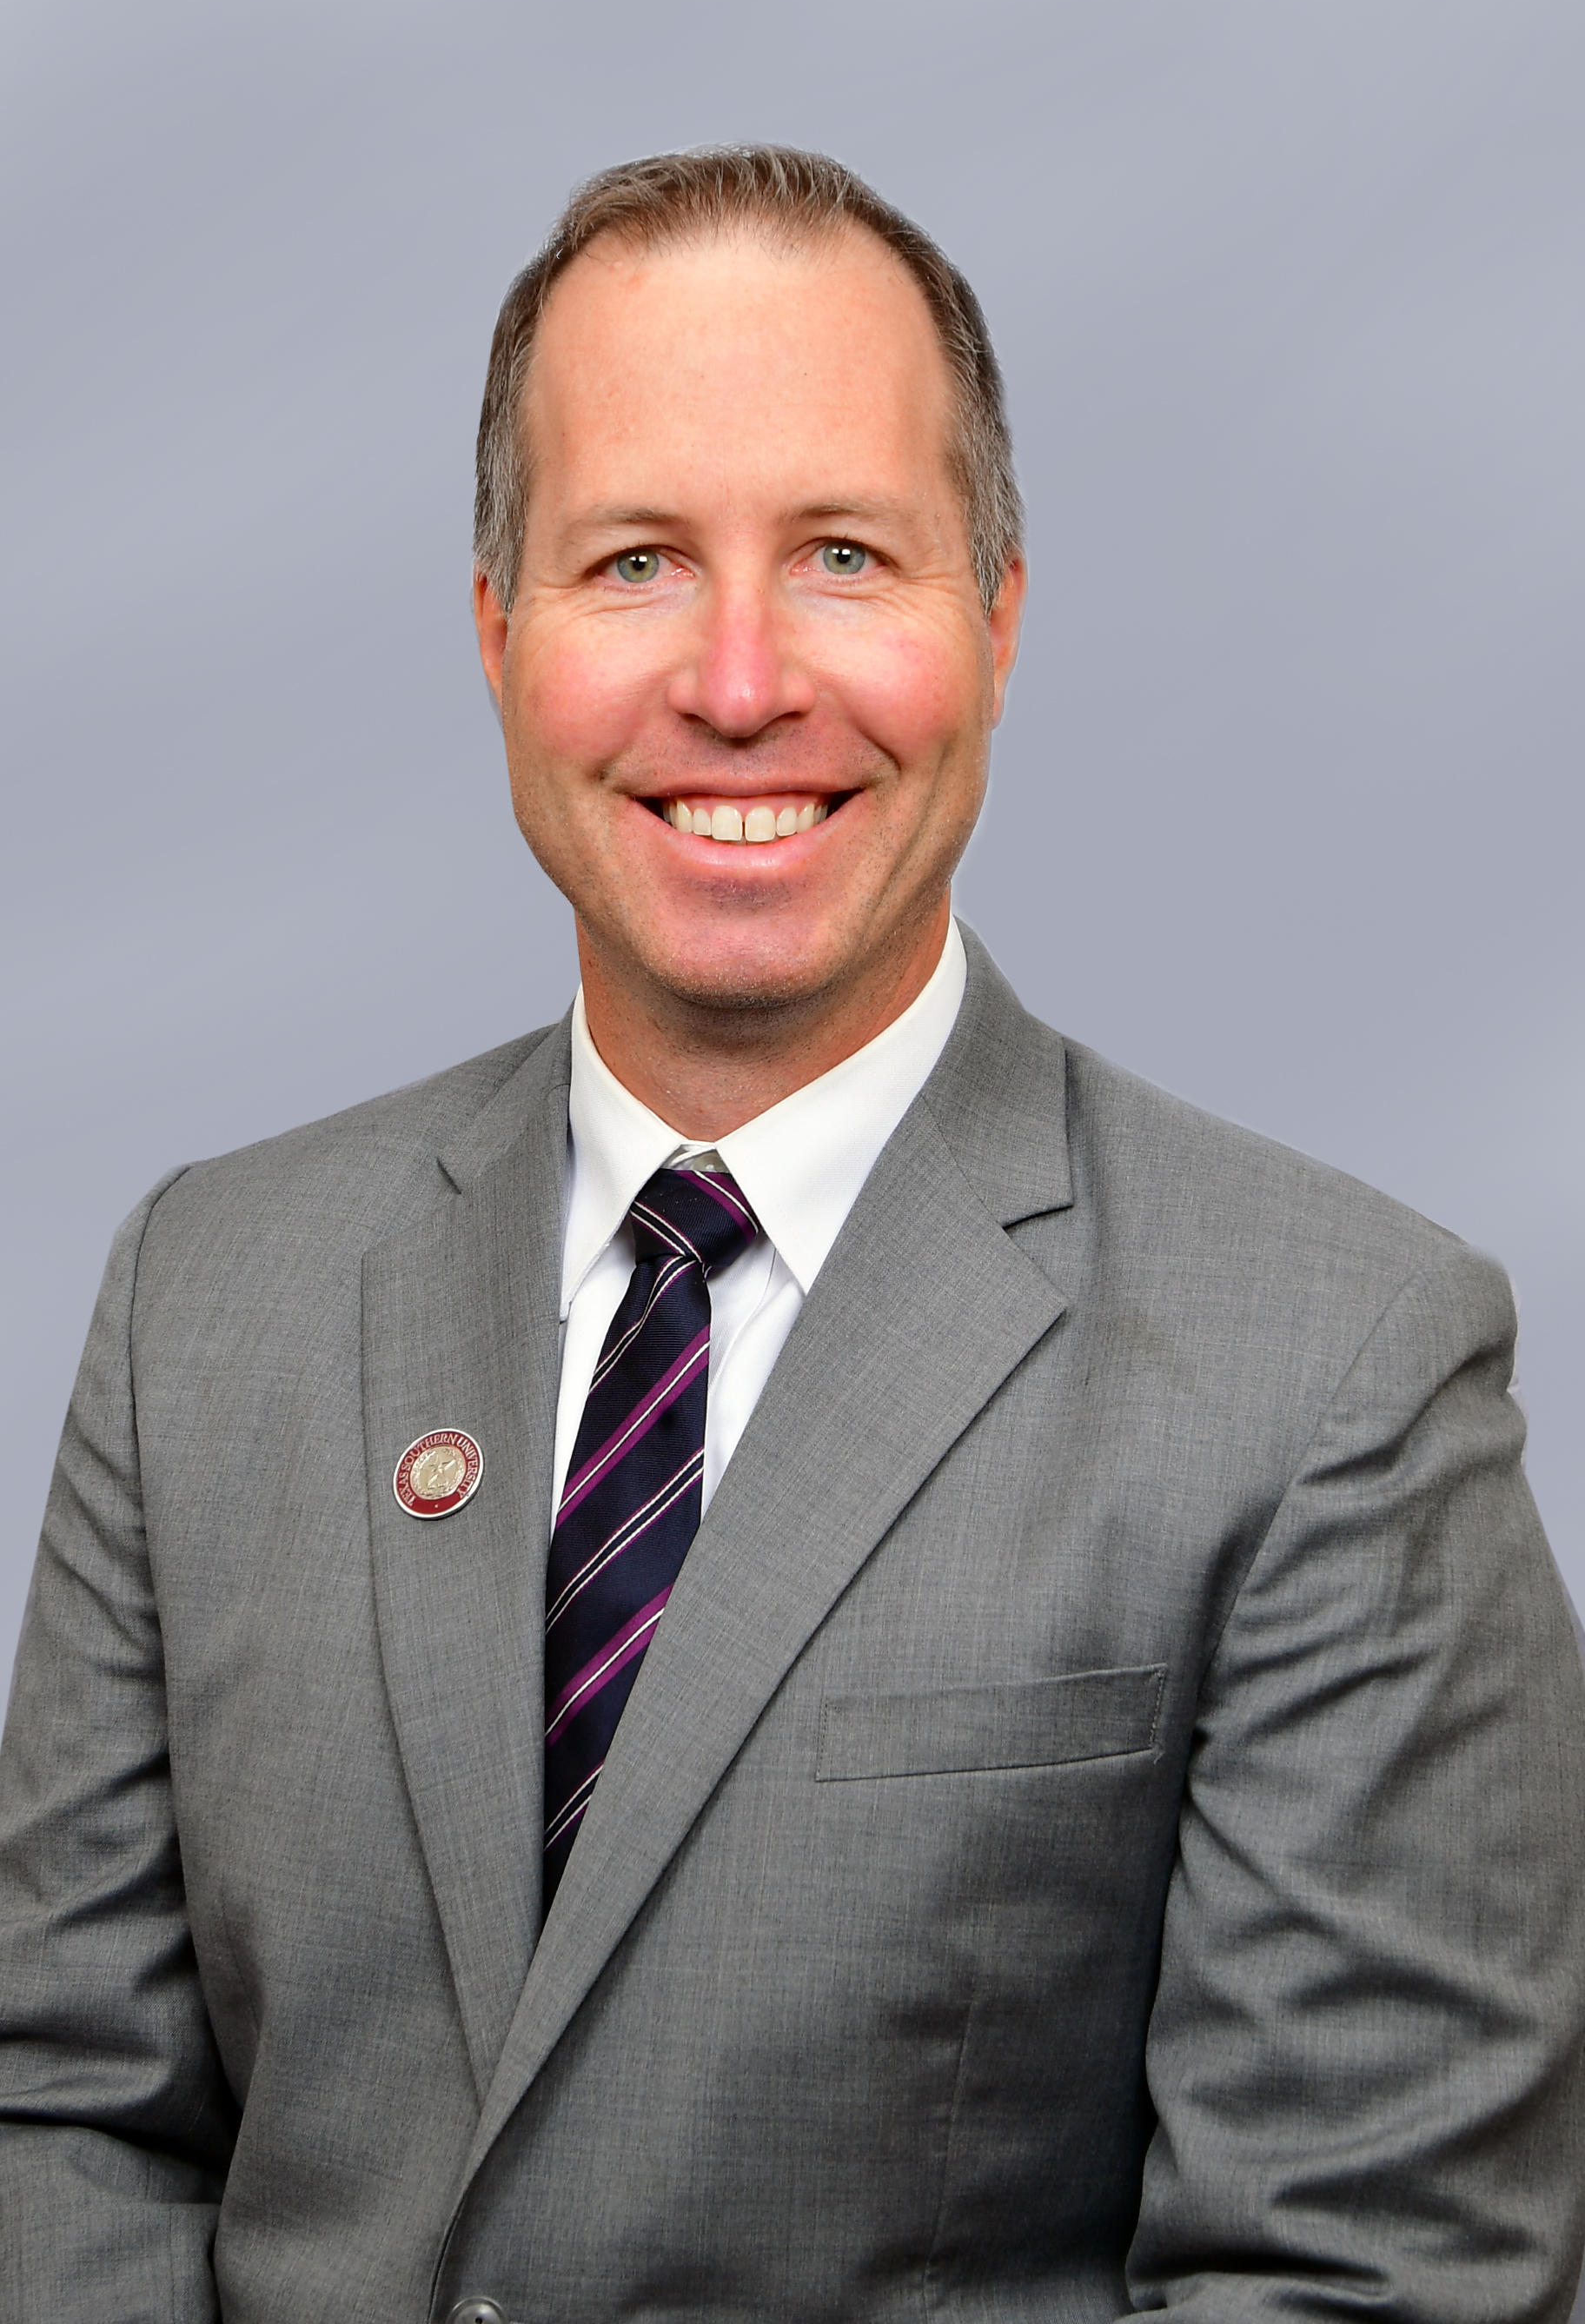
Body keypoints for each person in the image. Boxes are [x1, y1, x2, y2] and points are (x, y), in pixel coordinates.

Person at [1, 144, 1582, 2324]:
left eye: (844, 554)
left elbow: (1362, 2278)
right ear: (498, 635)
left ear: (997, 622)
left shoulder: (1338, 1369)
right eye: (635, 560)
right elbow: (67, 2121)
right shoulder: (205, 1298)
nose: (739, 682)